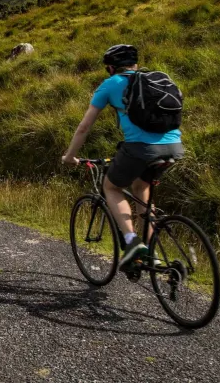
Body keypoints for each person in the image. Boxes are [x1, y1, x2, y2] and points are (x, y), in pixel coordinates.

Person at [61, 44, 184, 272]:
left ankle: (132, 243)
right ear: (135, 64)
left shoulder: (111, 84)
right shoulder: (153, 80)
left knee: (112, 188)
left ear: (110, 67)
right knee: (140, 189)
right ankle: (152, 254)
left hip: (140, 148)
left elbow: (84, 127)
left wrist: (70, 156)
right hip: (174, 147)